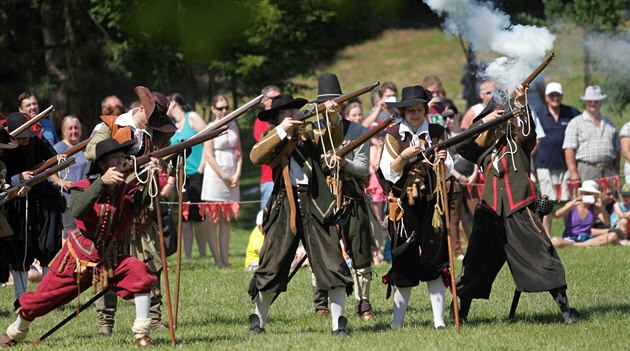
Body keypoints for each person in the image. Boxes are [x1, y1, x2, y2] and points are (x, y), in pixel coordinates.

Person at [0, 138, 159, 348]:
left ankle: (141, 334)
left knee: (140, 273)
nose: (121, 161)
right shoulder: (84, 187)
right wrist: (103, 183)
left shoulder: (125, 190)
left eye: (123, 157)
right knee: (42, 298)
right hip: (77, 259)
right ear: (103, 165)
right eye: (115, 158)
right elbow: (77, 210)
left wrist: (153, 176)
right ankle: (16, 332)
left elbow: (142, 202)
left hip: (111, 258)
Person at [453, 85, 579, 324]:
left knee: (542, 258)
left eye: (504, 117)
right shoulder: (483, 149)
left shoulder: (519, 144)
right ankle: (460, 311)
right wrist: (485, 121)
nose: (501, 124)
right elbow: (460, 144)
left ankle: (566, 311)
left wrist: (521, 103)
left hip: (519, 209)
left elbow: (528, 134)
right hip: (489, 212)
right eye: (497, 118)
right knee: (474, 266)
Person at [247, 94, 353, 336]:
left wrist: (334, 115)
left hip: (317, 202)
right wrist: (283, 130)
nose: (293, 115)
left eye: (295, 110)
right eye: (287, 112)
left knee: (333, 262)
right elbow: (256, 156)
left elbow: (332, 140)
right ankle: (258, 321)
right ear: (276, 118)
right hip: (284, 203)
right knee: (271, 265)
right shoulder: (272, 137)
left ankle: (339, 323)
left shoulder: (309, 133)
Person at [86, 86, 176, 335]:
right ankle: (106, 322)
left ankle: (154, 317)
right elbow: (91, 151)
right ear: (139, 109)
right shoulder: (110, 124)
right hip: (110, 203)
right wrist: (121, 153)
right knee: (107, 263)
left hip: (138, 204)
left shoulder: (150, 135)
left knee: (151, 259)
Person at [379, 85, 452, 329]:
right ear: (403, 112)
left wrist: (442, 161)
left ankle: (439, 321)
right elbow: (388, 172)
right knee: (403, 263)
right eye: (410, 110)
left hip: (432, 206)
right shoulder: (392, 135)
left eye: (418, 109)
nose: (414, 114)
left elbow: (449, 169)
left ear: (425, 109)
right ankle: (396, 323)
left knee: (435, 262)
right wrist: (405, 156)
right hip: (403, 207)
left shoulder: (437, 131)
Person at [310, 73, 377, 320]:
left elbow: (363, 169)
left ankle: (364, 304)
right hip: (321, 198)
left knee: (359, 250)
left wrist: (344, 162)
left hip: (351, 196)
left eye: (335, 102)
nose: (330, 107)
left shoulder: (358, 130)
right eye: (326, 103)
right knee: (321, 252)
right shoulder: (312, 131)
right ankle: (320, 304)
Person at [3, 112, 69, 301]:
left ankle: (48, 298)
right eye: (21, 137)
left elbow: (53, 158)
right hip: (15, 201)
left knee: (48, 248)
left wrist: (61, 159)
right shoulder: (4, 146)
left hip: (42, 198)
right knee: (20, 251)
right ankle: (21, 297)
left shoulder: (35, 139)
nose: (25, 141)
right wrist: (18, 179)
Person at [200, 94, 242, 268]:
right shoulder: (210, 127)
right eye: (220, 107)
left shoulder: (233, 126)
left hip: (232, 174)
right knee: (214, 218)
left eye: (226, 107)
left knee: (226, 219)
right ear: (213, 109)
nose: (224, 110)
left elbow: (239, 152)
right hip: (215, 176)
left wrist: (237, 174)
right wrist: (224, 175)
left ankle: (225, 259)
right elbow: (208, 155)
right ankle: (217, 259)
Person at [533, 82, 580, 235]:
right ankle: (546, 235)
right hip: (544, 164)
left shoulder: (571, 112)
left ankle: (570, 232)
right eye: (551, 95)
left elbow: (582, 122)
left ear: (562, 96)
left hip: (565, 164)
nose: (555, 98)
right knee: (547, 201)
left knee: (568, 199)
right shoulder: (538, 112)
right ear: (546, 97)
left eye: (557, 95)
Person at [168, 93, 209, 260]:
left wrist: (202, 165)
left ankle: (202, 253)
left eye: (168, 102)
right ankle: (187, 255)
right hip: (180, 174)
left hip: (196, 172)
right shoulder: (170, 125)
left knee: (197, 216)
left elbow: (208, 137)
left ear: (175, 103)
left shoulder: (191, 117)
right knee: (184, 216)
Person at [563, 85, 619, 183]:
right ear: (585, 102)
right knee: (588, 198)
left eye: (596, 101)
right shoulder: (575, 123)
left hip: (609, 169)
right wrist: (573, 171)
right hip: (586, 169)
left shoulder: (609, 123)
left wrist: (616, 170)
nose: (593, 103)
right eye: (590, 101)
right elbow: (569, 149)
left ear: (601, 102)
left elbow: (618, 149)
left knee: (609, 198)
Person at [53, 116, 90, 243]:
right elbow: (46, 170)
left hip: (84, 198)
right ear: (64, 131)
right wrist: (60, 182)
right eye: (70, 128)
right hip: (68, 200)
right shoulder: (59, 148)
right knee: (69, 235)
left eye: (76, 128)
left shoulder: (84, 147)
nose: (74, 131)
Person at [551, 180, 620, 247]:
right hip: (570, 238)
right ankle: (581, 245)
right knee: (555, 240)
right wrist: (573, 202)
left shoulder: (595, 208)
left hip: (587, 238)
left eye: (591, 194)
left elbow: (607, 223)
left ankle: (576, 245)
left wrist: (601, 207)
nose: (589, 196)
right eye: (586, 194)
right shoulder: (573, 205)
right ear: (581, 193)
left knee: (613, 235)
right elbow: (556, 215)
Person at [254, 85, 281, 211]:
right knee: (268, 215)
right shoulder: (260, 123)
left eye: (279, 98)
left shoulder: (283, 119)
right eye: (273, 98)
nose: (277, 101)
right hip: (269, 177)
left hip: (287, 174)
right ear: (263, 100)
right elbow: (266, 144)